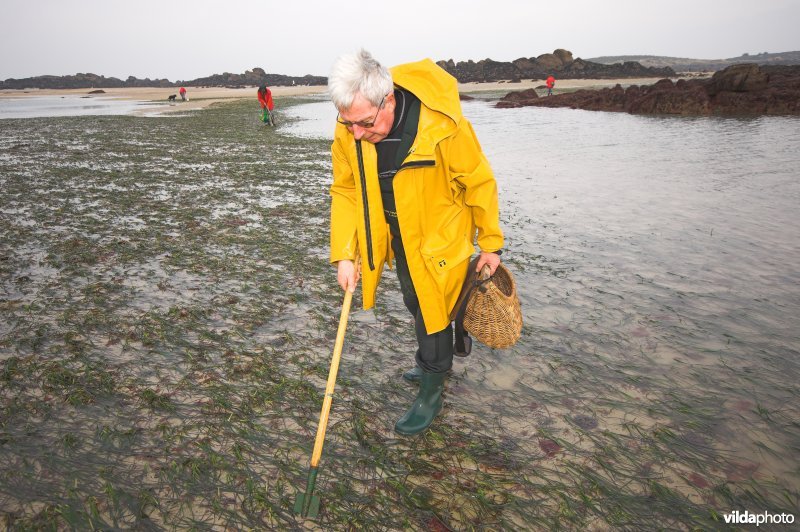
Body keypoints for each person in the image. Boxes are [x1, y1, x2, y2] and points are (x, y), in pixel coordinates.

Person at [327, 49, 504, 436]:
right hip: (397, 235)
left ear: (387, 99)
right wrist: (344, 253)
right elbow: (345, 190)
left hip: (440, 238)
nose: (355, 133)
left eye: (364, 123)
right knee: (414, 303)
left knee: (432, 312)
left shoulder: (443, 125)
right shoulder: (351, 127)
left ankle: (431, 391)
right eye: (347, 123)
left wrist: (491, 244)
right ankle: (429, 365)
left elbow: (479, 181)